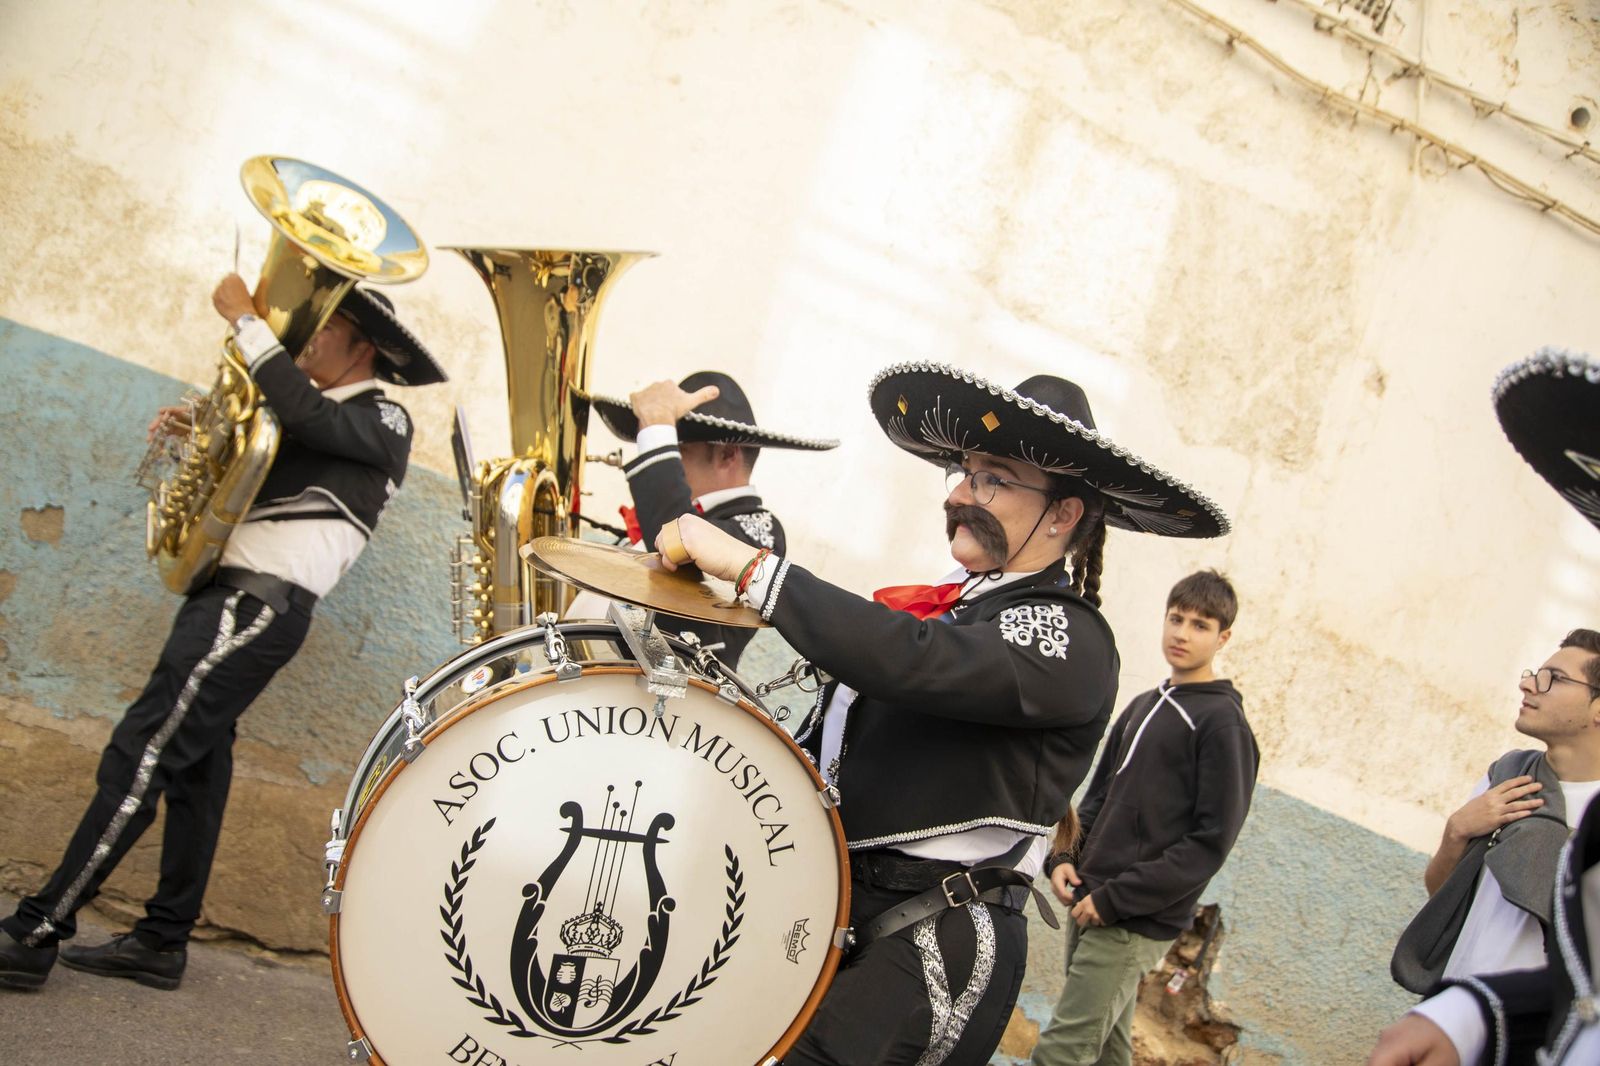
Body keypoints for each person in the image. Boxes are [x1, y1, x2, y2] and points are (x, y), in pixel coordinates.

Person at [656, 364, 1231, 1065]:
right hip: (847, 911)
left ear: (1062, 515)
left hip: (938, 935)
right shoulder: (959, 606)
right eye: (964, 472)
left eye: (992, 479)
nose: (959, 494)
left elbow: (916, 659)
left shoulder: (1072, 635)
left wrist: (756, 570)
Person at [0, 272, 446, 991]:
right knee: (195, 770)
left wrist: (247, 321)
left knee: (142, 752)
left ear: (363, 347)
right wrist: (204, 433)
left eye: (324, 327)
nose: (306, 338)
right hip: (231, 600)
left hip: (254, 607)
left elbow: (308, 418)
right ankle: (161, 941)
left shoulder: (382, 418)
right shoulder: (305, 414)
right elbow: (276, 442)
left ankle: (36, 930)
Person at [1368, 348, 1600, 1065]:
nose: (1531, 685)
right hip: (1461, 1014)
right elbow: (1442, 892)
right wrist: (1458, 831)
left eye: (1555, 680)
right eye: (1537, 672)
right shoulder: (1509, 775)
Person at [1030, 569, 1259, 1066]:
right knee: (1106, 1051)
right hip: (1091, 900)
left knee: (1061, 1052)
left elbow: (1208, 844)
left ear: (1223, 638)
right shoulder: (1143, 705)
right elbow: (1097, 800)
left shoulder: (1222, 724)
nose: (1182, 633)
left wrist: (1116, 899)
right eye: (1176, 619)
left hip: (1132, 918)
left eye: (1200, 625)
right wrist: (1063, 857)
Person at [587, 371, 836, 666]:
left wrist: (656, 430)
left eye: (678, 449)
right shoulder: (685, 510)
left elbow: (680, 539)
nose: (671, 459)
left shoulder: (762, 530)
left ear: (728, 454)